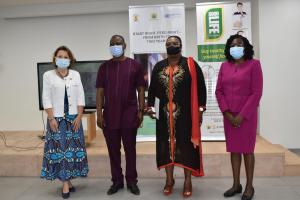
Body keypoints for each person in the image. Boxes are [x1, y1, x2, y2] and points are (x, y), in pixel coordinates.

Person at [147, 35, 207, 198]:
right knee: (166, 147)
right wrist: (151, 107)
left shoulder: (191, 65)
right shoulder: (159, 66)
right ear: (165, 47)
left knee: (186, 147)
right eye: (168, 44)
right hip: (164, 116)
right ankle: (169, 180)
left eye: (175, 43)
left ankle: (188, 181)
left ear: (181, 46)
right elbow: (152, 90)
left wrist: (200, 111)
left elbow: (201, 88)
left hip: (186, 116)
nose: (172, 45)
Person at [96, 35, 145, 195]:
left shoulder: (134, 65)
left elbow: (141, 89)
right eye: (112, 44)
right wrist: (99, 114)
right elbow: (100, 91)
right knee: (113, 150)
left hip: (130, 114)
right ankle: (117, 181)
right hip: (110, 115)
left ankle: (132, 181)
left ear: (124, 45)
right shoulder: (104, 67)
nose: (115, 46)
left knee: (130, 150)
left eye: (118, 43)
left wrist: (141, 110)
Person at [215, 34, 263, 200]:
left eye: (239, 44)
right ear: (229, 48)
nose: (236, 47)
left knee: (247, 151)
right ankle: (236, 184)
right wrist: (227, 113)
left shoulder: (254, 65)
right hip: (229, 116)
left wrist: (241, 116)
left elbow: (257, 93)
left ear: (246, 47)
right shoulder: (224, 66)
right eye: (233, 44)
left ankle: (249, 186)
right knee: (234, 150)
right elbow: (219, 91)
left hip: (246, 117)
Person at [41, 46, 89, 199]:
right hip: (57, 120)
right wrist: (51, 118)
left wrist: (79, 116)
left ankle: (68, 180)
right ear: (55, 58)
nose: (62, 58)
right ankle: (65, 185)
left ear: (70, 59)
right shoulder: (48, 75)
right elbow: (46, 98)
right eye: (59, 56)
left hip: (73, 119)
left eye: (65, 56)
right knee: (61, 152)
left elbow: (81, 96)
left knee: (73, 151)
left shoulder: (75, 74)